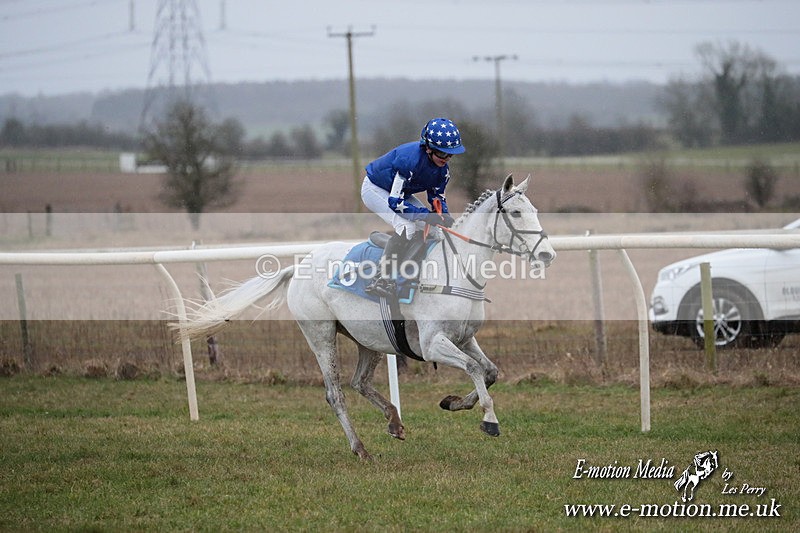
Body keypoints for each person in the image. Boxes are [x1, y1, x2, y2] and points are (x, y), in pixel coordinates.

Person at [361, 117, 466, 298]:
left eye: (451, 154)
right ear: (427, 148)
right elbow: (395, 202)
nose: (446, 158)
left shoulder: (443, 171)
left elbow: (437, 198)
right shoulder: (408, 161)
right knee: (407, 226)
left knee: (435, 231)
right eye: (442, 154)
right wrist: (425, 216)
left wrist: (443, 215)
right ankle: (381, 278)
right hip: (375, 189)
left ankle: (413, 273)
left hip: (401, 193)